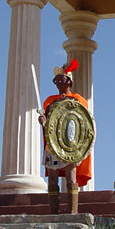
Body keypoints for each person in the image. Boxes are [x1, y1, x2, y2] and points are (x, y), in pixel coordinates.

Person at [39, 59, 92, 214]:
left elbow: (84, 121)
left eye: (61, 79)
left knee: (71, 176)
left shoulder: (78, 99)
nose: (59, 82)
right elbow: (48, 123)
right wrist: (42, 120)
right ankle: (54, 211)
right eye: (56, 80)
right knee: (52, 177)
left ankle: (72, 211)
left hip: (71, 144)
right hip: (53, 144)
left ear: (69, 81)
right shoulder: (49, 101)